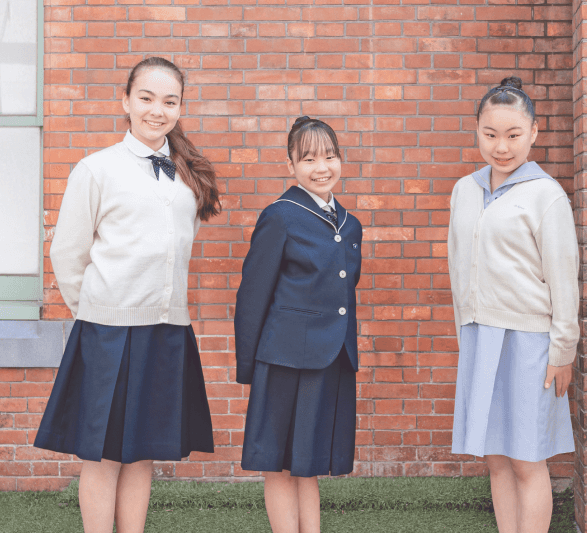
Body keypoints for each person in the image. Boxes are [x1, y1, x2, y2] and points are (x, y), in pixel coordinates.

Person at [34, 57, 219, 533]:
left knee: (143, 452)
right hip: (108, 332)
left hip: (167, 329)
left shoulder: (186, 176)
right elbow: (67, 253)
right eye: (146, 98)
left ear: (180, 108)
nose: (158, 110)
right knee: (103, 454)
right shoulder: (97, 169)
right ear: (126, 101)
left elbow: (177, 249)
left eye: (170, 101)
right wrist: (98, 310)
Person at [447, 76, 579, 533]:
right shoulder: (464, 190)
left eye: (513, 134)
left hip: (530, 343)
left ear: (533, 133)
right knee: (496, 459)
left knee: (526, 459)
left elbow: (564, 279)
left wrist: (563, 351)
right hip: (480, 336)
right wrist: (466, 332)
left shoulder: (547, 194)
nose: (501, 147)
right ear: (477, 131)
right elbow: (457, 267)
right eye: (490, 134)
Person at [235, 117, 362, 533]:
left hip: (330, 359)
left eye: (329, 156)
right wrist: (250, 366)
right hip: (284, 359)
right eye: (308, 159)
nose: (321, 167)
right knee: (278, 463)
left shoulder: (350, 223)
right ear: (291, 165)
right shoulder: (280, 216)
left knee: (307, 464)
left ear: (340, 159)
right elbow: (253, 296)